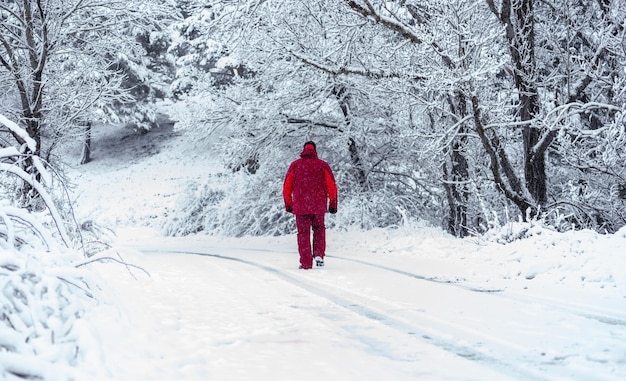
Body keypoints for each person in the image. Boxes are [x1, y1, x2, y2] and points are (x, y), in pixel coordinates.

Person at [283, 141, 338, 269]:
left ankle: (306, 263)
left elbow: (287, 187)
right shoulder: (322, 165)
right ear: (315, 150)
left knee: (303, 233)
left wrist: (288, 204)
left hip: (301, 206)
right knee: (319, 229)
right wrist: (333, 204)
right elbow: (332, 186)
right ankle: (319, 254)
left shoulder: (295, 165)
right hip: (318, 205)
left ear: (303, 150)